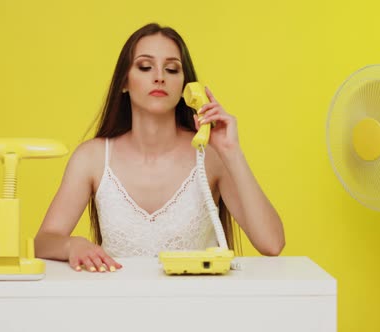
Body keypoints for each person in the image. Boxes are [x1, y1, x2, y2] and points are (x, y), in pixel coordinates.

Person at [34, 22, 285, 272]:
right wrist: (72, 245)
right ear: (124, 82)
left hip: (198, 307)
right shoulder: (92, 158)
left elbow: (272, 244)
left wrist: (232, 152)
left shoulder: (210, 157)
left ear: (185, 87)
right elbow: (43, 242)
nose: (159, 77)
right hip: (118, 306)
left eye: (172, 69)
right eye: (145, 67)